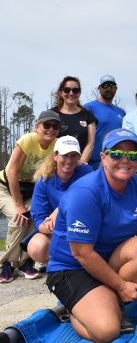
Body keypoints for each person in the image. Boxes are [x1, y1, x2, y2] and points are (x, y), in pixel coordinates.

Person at [45, 128, 137, 342]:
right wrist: (121, 286)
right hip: (72, 267)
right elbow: (82, 254)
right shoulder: (86, 193)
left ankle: (105, 299)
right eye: (117, 154)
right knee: (107, 331)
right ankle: (73, 307)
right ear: (103, 157)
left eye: (132, 155)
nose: (125, 160)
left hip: (108, 259)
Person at [0, 110, 61, 283]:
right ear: (37, 126)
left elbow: (67, 161)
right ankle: (8, 263)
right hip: (6, 186)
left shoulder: (57, 145)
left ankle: (27, 262)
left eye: (55, 126)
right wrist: (19, 205)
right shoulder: (27, 140)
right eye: (46, 125)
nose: (51, 129)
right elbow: (12, 173)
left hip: (31, 189)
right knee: (19, 218)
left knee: (35, 217)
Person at [28, 136, 93, 263]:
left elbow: (90, 198)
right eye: (65, 155)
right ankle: (61, 262)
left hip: (83, 228)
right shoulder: (43, 181)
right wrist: (46, 226)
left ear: (79, 158)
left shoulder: (86, 172)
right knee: (36, 247)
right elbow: (38, 217)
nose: (69, 160)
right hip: (58, 230)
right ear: (55, 156)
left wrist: (59, 209)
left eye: (74, 155)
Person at [51, 76, 97, 164]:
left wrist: (79, 165)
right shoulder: (52, 114)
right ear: (61, 92)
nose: (71, 93)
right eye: (67, 90)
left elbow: (90, 143)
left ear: (79, 93)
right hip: (56, 166)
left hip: (80, 165)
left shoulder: (88, 115)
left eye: (75, 90)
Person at [84, 75, 126, 169]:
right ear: (99, 88)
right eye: (105, 85)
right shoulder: (89, 108)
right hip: (93, 163)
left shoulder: (121, 112)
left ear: (116, 89)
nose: (108, 88)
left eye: (112, 86)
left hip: (115, 162)